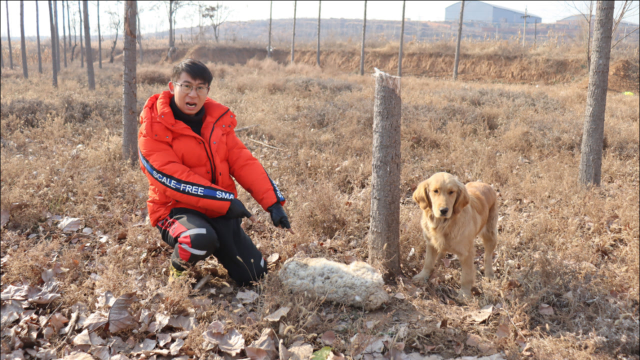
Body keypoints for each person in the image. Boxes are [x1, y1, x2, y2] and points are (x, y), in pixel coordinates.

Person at [138, 59, 292, 286]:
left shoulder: (217, 122)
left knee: (254, 274)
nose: (193, 94)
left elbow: (243, 162)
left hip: (218, 209)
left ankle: (222, 244)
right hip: (174, 209)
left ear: (207, 90)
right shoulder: (153, 126)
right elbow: (172, 179)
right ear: (172, 87)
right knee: (198, 239)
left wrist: (273, 203)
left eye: (200, 88)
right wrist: (226, 201)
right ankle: (178, 274)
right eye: (187, 86)